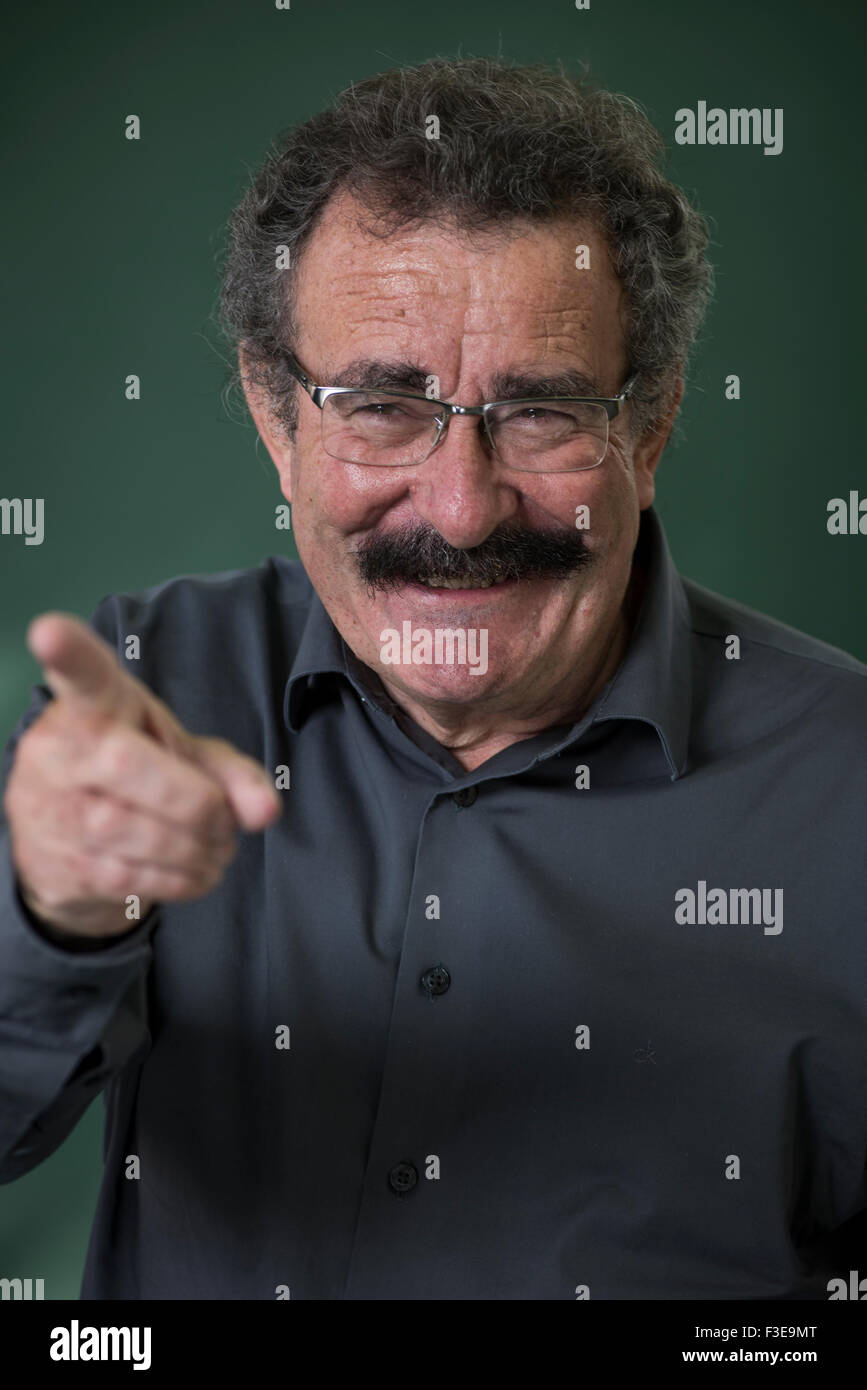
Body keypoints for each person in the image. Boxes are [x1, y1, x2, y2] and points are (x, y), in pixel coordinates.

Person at [1, 56, 865, 1301]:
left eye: (543, 413)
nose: (461, 511)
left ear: (653, 424)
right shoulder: (153, 694)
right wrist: (53, 914)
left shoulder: (849, 787)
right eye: (382, 406)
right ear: (274, 419)